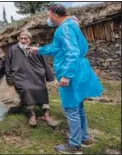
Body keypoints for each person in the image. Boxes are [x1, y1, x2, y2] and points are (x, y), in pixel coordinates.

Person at [28, 4, 104, 154]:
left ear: (55, 14)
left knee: (70, 107)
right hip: (79, 70)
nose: (47, 18)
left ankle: (74, 145)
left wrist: (67, 75)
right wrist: (40, 50)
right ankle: (84, 137)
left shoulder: (65, 28)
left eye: (48, 14)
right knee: (78, 106)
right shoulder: (69, 25)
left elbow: (72, 52)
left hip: (71, 72)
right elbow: (58, 48)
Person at [5, 30, 58, 128]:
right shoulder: (12, 49)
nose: (23, 40)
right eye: (21, 38)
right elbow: (7, 64)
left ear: (30, 40)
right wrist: (9, 78)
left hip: (36, 75)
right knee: (26, 89)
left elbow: (44, 63)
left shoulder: (35, 50)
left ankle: (46, 113)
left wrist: (48, 76)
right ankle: (31, 113)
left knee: (42, 88)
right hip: (20, 76)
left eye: (26, 38)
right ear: (18, 39)